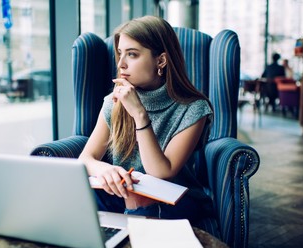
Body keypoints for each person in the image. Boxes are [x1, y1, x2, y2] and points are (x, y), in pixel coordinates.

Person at [78, 15, 214, 223]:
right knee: (79, 198)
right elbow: (86, 159)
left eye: (132, 55)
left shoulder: (194, 108)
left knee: (140, 210)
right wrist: (106, 170)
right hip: (125, 194)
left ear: (160, 60)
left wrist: (140, 115)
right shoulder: (113, 101)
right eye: (120, 54)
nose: (121, 64)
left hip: (173, 200)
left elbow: (162, 172)